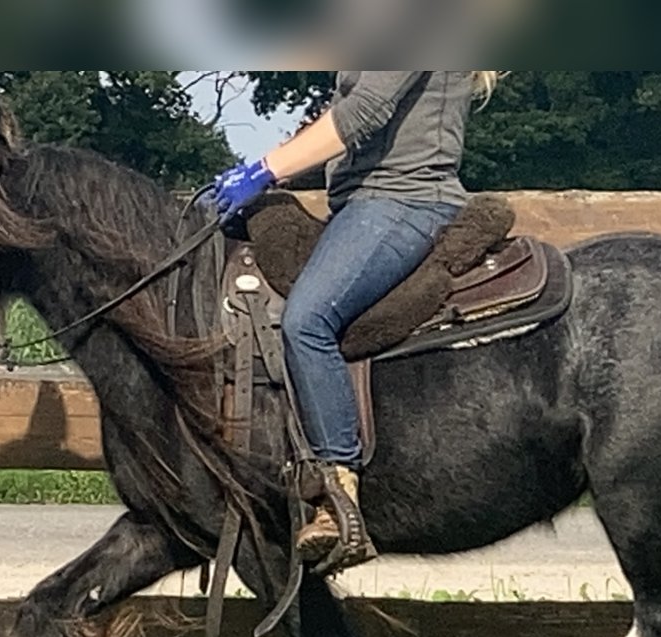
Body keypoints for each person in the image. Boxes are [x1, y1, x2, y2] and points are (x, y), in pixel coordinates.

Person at [210, 71, 498, 566]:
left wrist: (265, 169)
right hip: (360, 205)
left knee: (307, 319)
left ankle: (339, 498)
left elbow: (362, 111)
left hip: (405, 201)